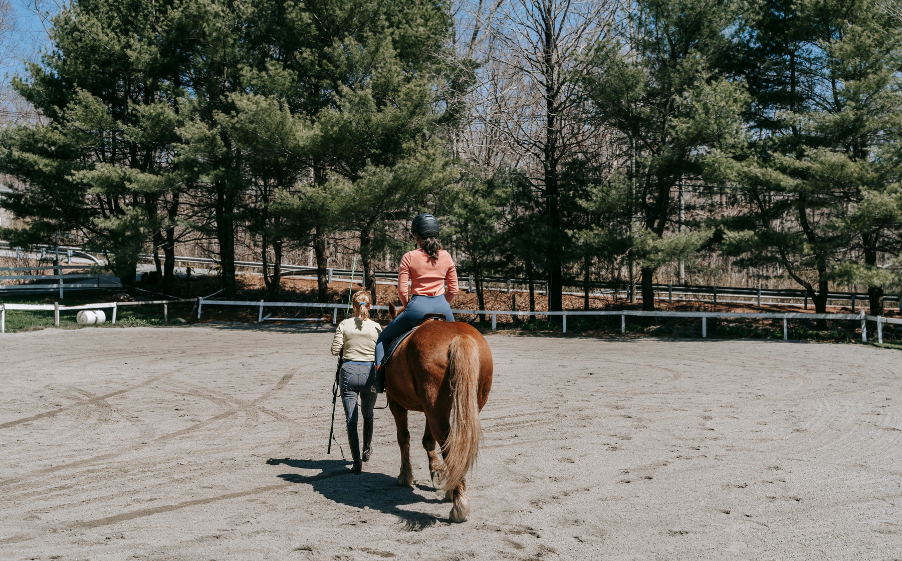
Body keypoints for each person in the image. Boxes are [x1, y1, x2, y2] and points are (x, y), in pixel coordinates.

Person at [374, 213, 458, 375]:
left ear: (416, 235)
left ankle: (378, 379)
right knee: (457, 338)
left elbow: (402, 290)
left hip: (417, 307)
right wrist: (443, 303)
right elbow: (453, 289)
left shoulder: (409, 257)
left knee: (383, 339)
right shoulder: (446, 256)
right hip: (443, 308)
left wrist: (408, 307)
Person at [331, 290, 382, 473]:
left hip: (349, 373)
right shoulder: (377, 327)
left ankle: (356, 462)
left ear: (353, 306)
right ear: (370, 306)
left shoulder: (344, 324)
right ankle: (366, 450)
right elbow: (380, 353)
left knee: (351, 419)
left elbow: (335, 350)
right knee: (368, 414)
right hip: (370, 374)